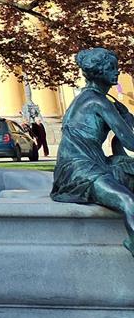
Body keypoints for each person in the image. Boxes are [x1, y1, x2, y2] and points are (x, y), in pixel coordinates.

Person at [51, 47, 134, 257]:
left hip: (90, 165)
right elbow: (131, 142)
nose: (117, 71)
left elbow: (120, 145)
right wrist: (127, 120)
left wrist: (125, 120)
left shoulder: (89, 97)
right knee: (128, 201)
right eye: (111, 68)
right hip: (80, 171)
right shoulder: (98, 101)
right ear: (98, 72)